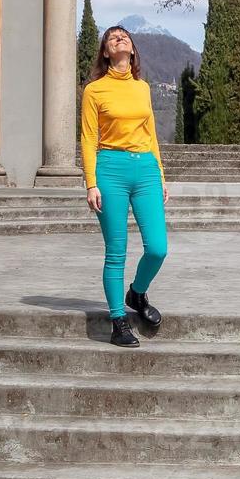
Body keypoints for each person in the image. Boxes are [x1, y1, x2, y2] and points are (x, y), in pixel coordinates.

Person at [80, 25, 170, 347]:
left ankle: (138, 292)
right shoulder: (94, 90)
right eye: (112, 37)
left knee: (158, 248)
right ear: (106, 52)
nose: (120, 38)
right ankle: (118, 320)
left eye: (125, 37)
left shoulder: (143, 88)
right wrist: (91, 183)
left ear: (132, 50)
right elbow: (89, 138)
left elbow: (151, 134)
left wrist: (160, 175)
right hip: (110, 170)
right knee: (116, 251)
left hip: (145, 168)